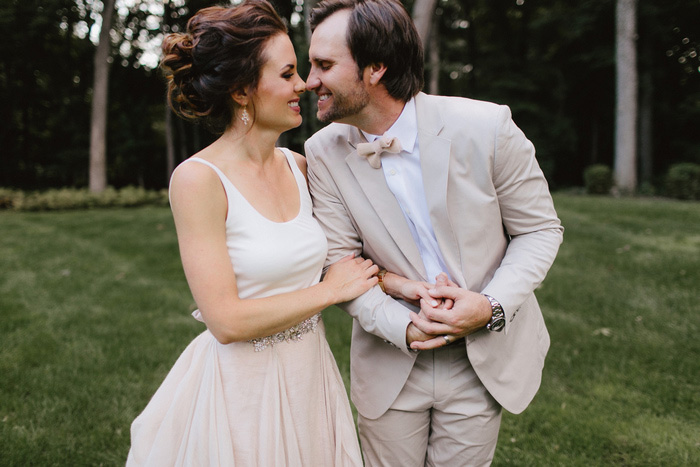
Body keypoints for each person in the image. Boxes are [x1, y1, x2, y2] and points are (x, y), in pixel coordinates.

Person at [304, 0, 565, 465]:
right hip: (389, 360)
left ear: (376, 68)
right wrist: (403, 326)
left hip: (482, 357)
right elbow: (337, 263)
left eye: (324, 65)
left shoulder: (487, 127)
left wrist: (490, 306)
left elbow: (540, 229)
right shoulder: (322, 152)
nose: (309, 81)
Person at [126, 2, 376, 465]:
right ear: (242, 92)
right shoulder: (199, 180)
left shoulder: (301, 166)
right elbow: (226, 321)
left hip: (310, 375)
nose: (303, 85)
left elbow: (352, 258)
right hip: (243, 390)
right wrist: (329, 292)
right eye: (287, 74)